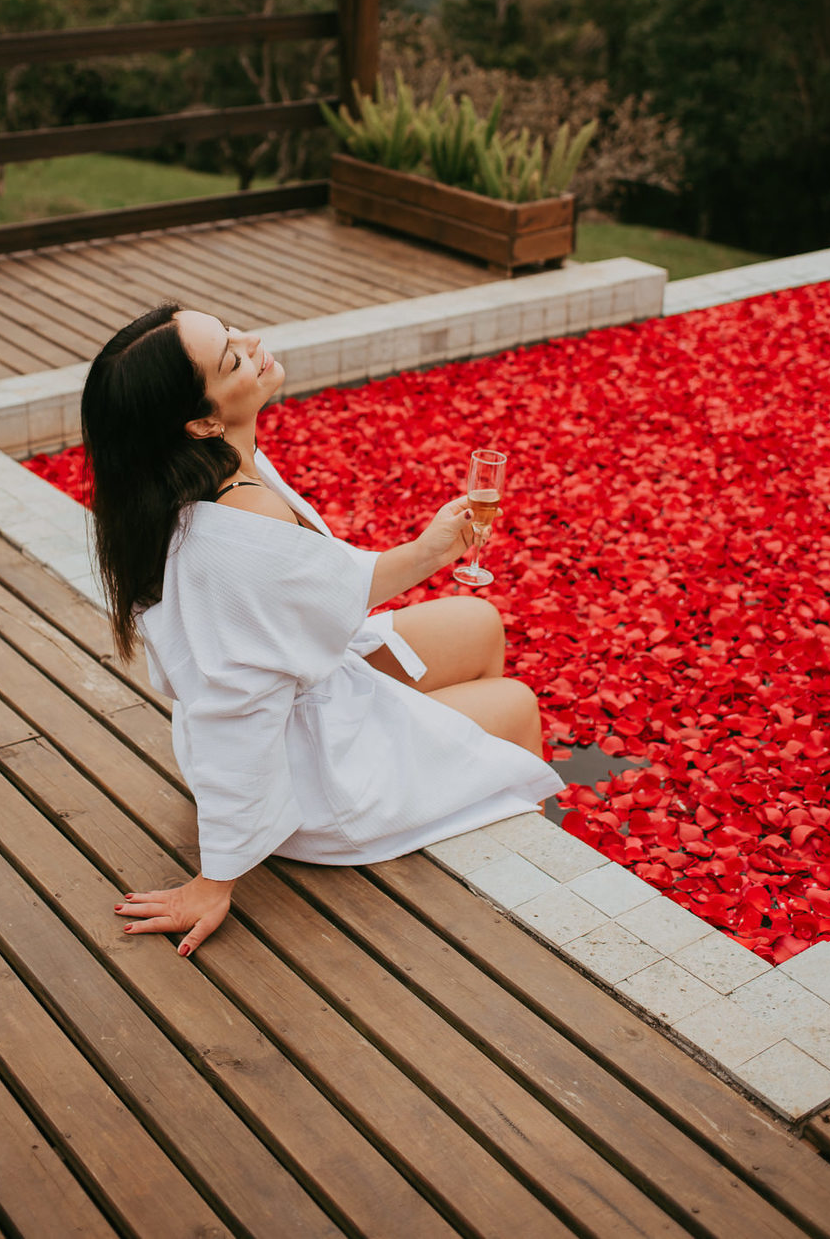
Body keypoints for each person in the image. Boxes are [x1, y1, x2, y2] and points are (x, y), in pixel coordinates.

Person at [81, 303, 561, 958]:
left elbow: (314, 592)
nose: (251, 343)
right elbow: (234, 708)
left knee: (477, 622)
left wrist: (428, 552)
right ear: (201, 420)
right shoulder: (233, 533)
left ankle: (464, 779)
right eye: (230, 358)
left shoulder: (214, 473)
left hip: (313, 697)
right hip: (312, 776)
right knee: (518, 706)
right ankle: (532, 885)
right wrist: (215, 876)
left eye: (231, 334)